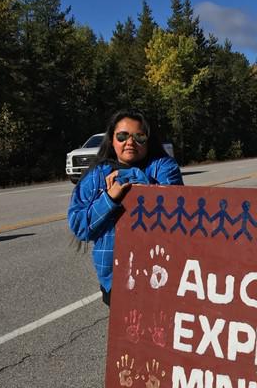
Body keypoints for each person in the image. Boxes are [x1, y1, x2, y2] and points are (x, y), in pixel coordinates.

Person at [68, 109, 183, 306]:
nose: (130, 142)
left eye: (139, 136)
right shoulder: (95, 176)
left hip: (161, 274)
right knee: (127, 334)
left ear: (148, 140)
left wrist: (130, 178)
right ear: (112, 139)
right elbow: (80, 227)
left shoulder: (164, 168)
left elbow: (171, 210)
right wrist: (109, 198)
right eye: (122, 136)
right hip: (114, 279)